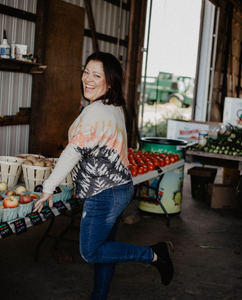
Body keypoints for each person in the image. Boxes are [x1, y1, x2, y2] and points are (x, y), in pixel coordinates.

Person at [34, 51, 174, 299]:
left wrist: (48, 187)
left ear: (109, 82)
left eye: (96, 75)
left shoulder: (97, 111)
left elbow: (73, 151)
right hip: (117, 189)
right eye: (86, 71)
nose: (88, 78)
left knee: (91, 251)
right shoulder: (112, 106)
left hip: (104, 193)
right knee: (106, 249)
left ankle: (154, 254)